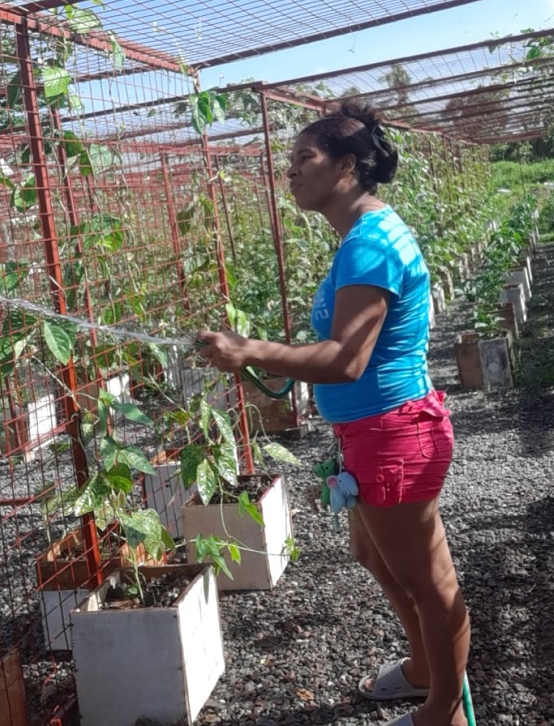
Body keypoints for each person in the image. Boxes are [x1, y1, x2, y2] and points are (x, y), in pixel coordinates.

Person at [197, 100, 470, 726]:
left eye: (304, 159)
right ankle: (428, 668)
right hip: (369, 430)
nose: (289, 172)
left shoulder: (369, 244)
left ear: (347, 166)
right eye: (289, 161)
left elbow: (347, 359)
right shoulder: (361, 236)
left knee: (432, 584)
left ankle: (444, 711)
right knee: (375, 556)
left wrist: (249, 351)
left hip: (393, 431)